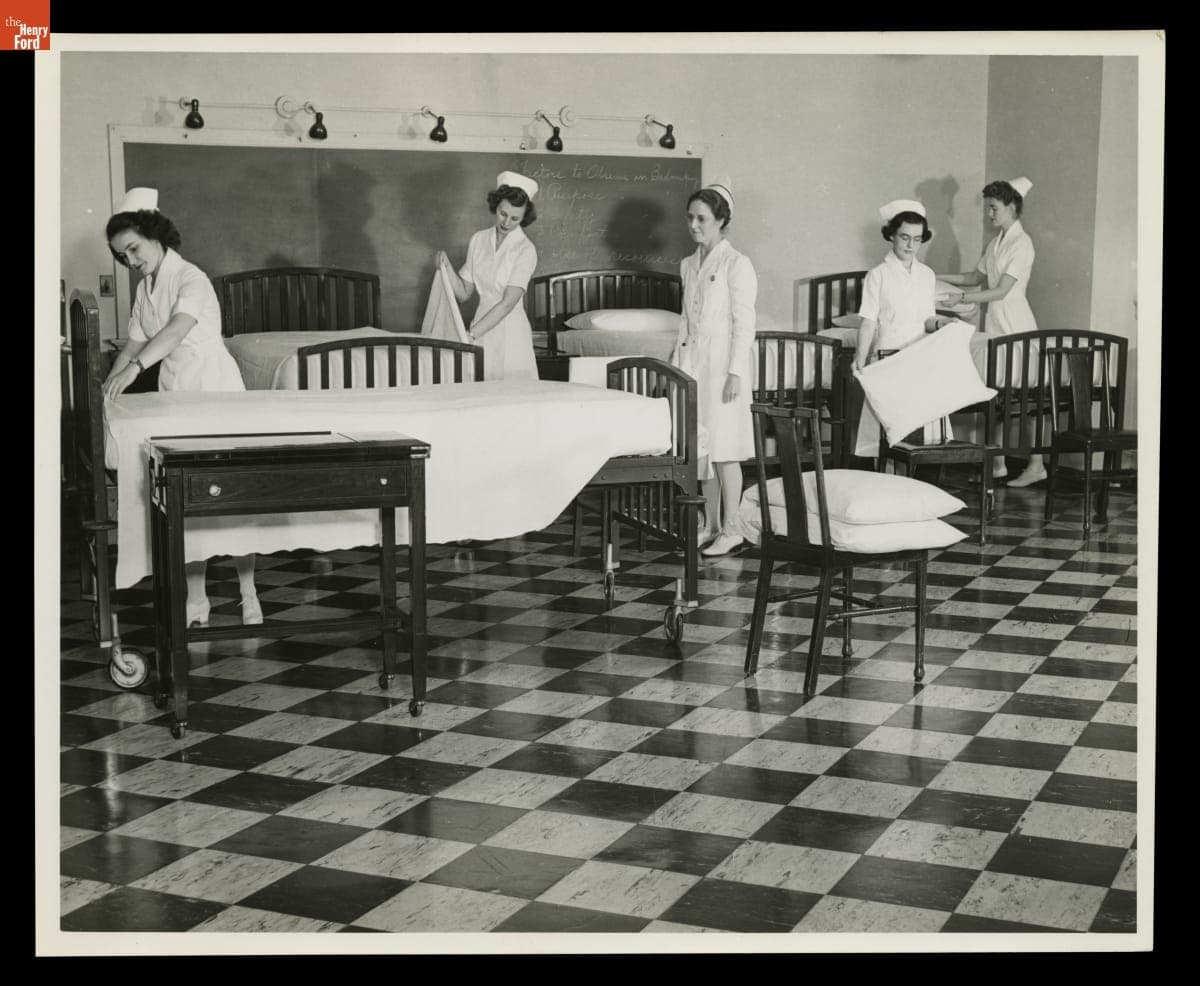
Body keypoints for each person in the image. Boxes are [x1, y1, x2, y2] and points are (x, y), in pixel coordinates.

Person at [102, 187, 261, 628]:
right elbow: (135, 342)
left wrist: (134, 370)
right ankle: (197, 600)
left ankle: (249, 594)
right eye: (122, 256)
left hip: (215, 391)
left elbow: (176, 329)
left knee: (234, 500)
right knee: (186, 499)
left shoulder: (192, 278)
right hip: (177, 392)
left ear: (155, 236)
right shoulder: (145, 288)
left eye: (134, 249)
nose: (130, 261)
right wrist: (110, 384)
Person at [670, 178, 758, 558]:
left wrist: (735, 372)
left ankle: (732, 528)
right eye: (690, 217)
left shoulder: (737, 264)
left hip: (724, 368)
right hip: (695, 365)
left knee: (725, 449)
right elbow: (685, 322)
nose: (693, 225)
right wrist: (678, 368)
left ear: (721, 221)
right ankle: (710, 524)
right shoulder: (688, 264)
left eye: (701, 219)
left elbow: (745, 323)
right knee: (703, 448)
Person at [939, 177, 1044, 486]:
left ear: (1011, 206)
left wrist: (962, 298)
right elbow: (974, 277)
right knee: (999, 394)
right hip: (997, 322)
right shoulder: (996, 242)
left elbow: (1001, 290)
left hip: (1016, 322)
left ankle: (1037, 465)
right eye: (988, 208)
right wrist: (932, 274)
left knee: (1025, 398)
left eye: (993, 208)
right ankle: (997, 464)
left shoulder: (1022, 244)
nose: (989, 214)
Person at [853, 199, 959, 458]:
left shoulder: (927, 275)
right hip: (888, 358)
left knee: (921, 430)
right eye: (904, 237)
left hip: (918, 358)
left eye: (917, 239)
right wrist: (859, 359)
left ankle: (913, 480)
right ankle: (886, 478)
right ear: (891, 235)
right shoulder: (878, 275)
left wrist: (943, 323)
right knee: (888, 431)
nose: (911, 245)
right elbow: (868, 321)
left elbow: (927, 320)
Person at [436, 171, 539, 380]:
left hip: (509, 330)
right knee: (479, 386)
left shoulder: (525, 249)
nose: (507, 222)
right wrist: (446, 266)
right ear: (495, 206)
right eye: (503, 213)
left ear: (524, 218)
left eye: (515, 218)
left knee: (511, 389)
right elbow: (464, 293)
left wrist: (471, 334)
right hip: (481, 324)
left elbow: (507, 304)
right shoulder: (478, 239)